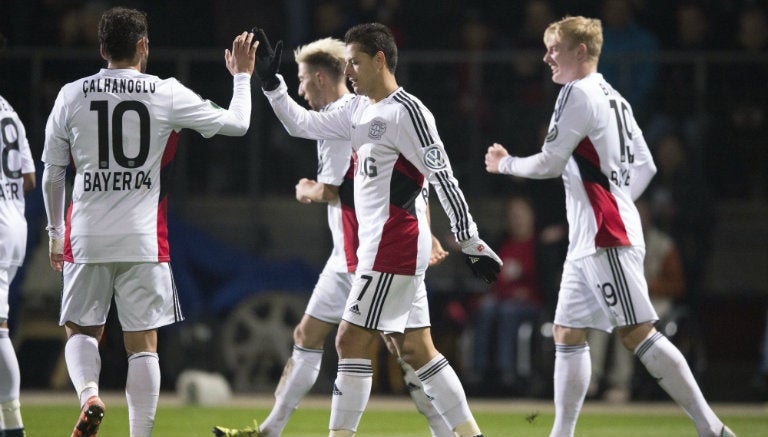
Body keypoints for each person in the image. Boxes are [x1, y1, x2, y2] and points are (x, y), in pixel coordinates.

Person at [484, 15, 735, 437]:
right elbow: (647, 166)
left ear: (580, 51)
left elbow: (549, 163)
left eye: (554, 49)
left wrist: (505, 163)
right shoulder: (615, 98)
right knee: (567, 332)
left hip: (606, 235)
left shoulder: (575, 93)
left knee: (637, 333)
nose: (546, 57)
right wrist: (618, 200)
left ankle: (712, 429)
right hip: (593, 236)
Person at [252, 23, 501, 437]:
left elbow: (443, 178)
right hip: (380, 245)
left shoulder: (409, 112)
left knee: (349, 341)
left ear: (380, 60)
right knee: (416, 349)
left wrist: (470, 241)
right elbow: (302, 124)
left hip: (394, 242)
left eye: (355, 62)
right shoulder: (356, 109)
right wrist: (271, 85)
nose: (348, 71)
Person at [212, 36, 452, 437]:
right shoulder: (345, 116)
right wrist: (272, 85)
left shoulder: (353, 117)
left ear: (321, 78)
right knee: (309, 335)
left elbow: (347, 188)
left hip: (370, 254)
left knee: (407, 351)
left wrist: (312, 188)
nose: (302, 88)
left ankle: (448, 430)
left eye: (303, 79)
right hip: (347, 256)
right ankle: (270, 430)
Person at [41, 7, 256, 437]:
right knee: (143, 345)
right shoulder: (166, 92)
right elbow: (238, 124)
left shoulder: (71, 95)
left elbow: (52, 173)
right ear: (143, 45)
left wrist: (55, 234)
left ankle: (89, 395)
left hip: (86, 235)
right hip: (143, 239)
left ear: (101, 49)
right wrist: (242, 77)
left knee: (81, 330)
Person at [587, 197, 687, 402]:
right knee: (602, 318)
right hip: (624, 300)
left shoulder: (663, 245)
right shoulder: (614, 242)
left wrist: (646, 287)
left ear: (647, 217)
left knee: (629, 323)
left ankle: (620, 384)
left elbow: (678, 285)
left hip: (655, 301)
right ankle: (591, 378)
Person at [468, 196, 543, 392]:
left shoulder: (538, 245)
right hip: (501, 298)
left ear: (531, 217)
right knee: (486, 309)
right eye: (512, 216)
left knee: (507, 311)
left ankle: (506, 372)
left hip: (530, 302)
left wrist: (526, 292)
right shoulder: (502, 243)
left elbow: (545, 281)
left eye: (520, 215)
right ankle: (479, 371)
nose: (516, 220)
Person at [0, 33, 35, 437]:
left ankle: (12, 425)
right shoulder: (8, 110)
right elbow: (28, 178)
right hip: (14, 224)